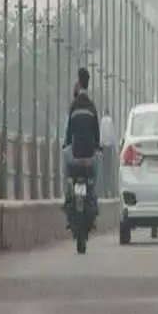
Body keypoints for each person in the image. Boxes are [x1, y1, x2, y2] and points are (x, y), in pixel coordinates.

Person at [63, 68, 102, 215]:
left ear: (79, 83)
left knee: (66, 169)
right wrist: (97, 148)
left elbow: (69, 132)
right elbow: (96, 133)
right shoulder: (92, 107)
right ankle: (94, 200)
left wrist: (66, 144)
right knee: (94, 177)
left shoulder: (74, 106)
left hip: (76, 155)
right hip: (89, 157)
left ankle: (67, 196)